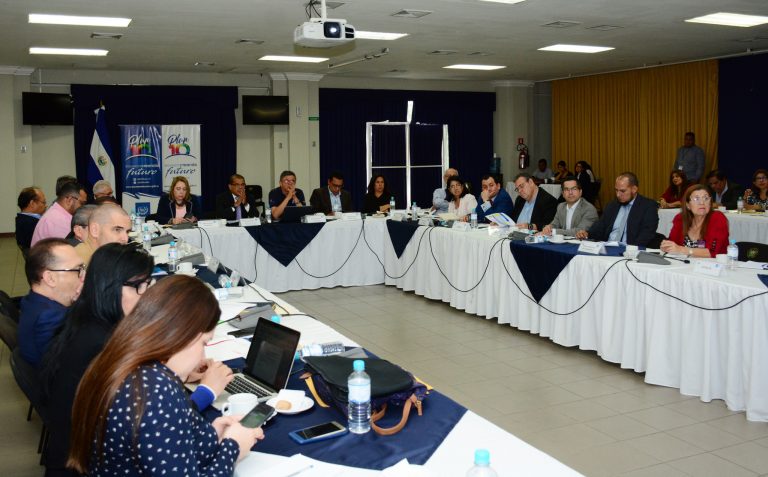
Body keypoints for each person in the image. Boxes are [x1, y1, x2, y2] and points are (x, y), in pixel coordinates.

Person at [40, 244, 232, 477]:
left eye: (148, 284)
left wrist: (176, 370)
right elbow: (154, 417)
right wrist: (206, 392)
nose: (147, 295)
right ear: (110, 287)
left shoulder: (89, 322)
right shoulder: (104, 346)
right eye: (139, 286)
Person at [67, 275, 261, 476]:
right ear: (182, 334)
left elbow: (166, 450)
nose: (203, 356)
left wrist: (211, 436)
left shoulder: (124, 362)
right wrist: (233, 447)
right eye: (204, 343)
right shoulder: (155, 390)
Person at [18, 238, 84, 366]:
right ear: (50, 278)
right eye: (77, 270)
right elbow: (70, 364)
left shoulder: (33, 301)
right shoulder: (50, 317)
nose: (83, 277)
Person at [576, 172, 659, 246]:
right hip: (607, 248)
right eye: (616, 190)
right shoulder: (612, 205)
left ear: (634, 189)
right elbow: (599, 227)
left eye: (622, 191)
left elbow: (646, 234)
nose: (618, 195)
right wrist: (587, 234)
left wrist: (630, 251)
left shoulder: (648, 206)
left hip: (629, 251)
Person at [660, 185, 729, 258]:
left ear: (710, 202)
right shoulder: (680, 219)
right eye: (696, 199)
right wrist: (667, 246)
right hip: (685, 263)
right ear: (688, 205)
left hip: (714, 264)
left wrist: (681, 249)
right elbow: (673, 243)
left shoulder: (717, 218)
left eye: (706, 198)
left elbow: (712, 252)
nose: (702, 202)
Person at [31, 182, 87, 247]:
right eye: (82, 203)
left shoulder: (57, 213)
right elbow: (73, 247)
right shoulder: (57, 219)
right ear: (69, 200)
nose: (83, 207)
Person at [16, 186, 47, 252]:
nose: (46, 206)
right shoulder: (30, 224)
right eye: (44, 202)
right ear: (32, 203)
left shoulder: (22, 219)